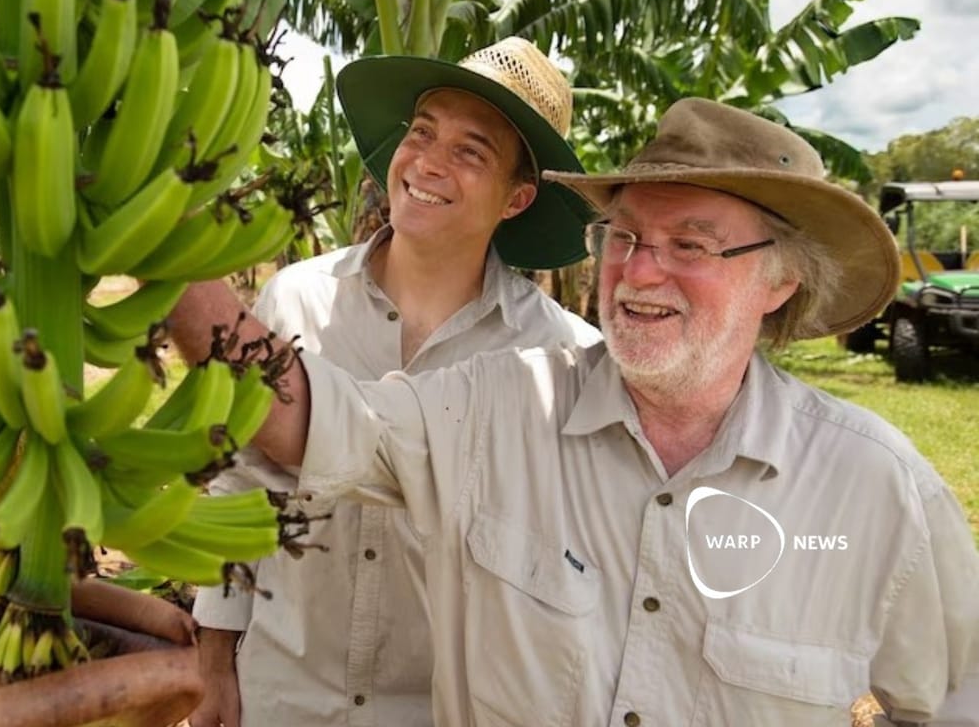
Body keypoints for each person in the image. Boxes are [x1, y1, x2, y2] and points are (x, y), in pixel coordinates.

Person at [172, 98, 979, 725]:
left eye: (690, 247)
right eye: (623, 236)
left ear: (779, 281)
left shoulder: (878, 490)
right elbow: (308, 417)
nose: (639, 272)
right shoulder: (499, 405)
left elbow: (944, 700)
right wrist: (163, 236)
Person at [183, 37, 601, 727]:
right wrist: (213, 668)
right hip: (282, 695)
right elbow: (237, 491)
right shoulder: (296, 301)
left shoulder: (558, 359)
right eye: (422, 132)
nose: (429, 162)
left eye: (472, 151)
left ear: (518, 198)